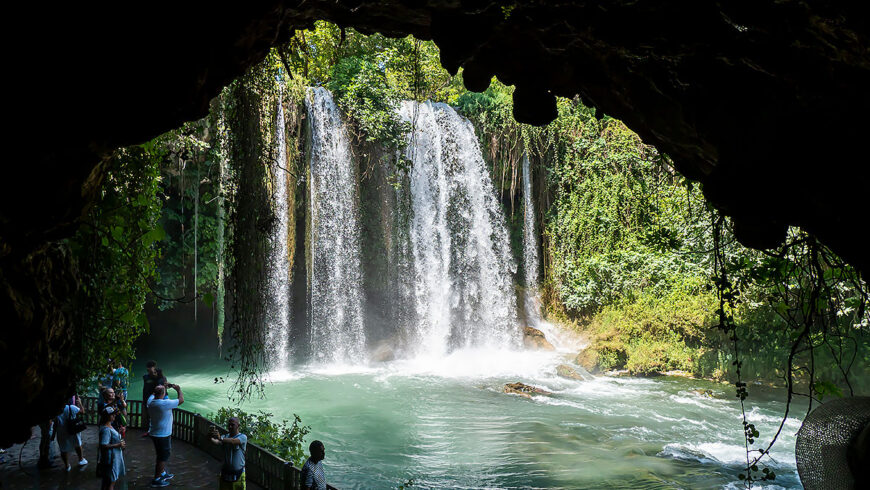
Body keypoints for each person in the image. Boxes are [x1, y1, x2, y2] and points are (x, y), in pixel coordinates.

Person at [147, 383, 183, 487]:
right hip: (163, 435)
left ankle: (162, 473)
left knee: (160, 454)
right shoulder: (164, 404)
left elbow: (155, 394)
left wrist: (162, 388)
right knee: (162, 457)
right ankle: (157, 479)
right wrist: (178, 389)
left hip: (154, 432)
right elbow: (181, 400)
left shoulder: (151, 402)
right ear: (163, 394)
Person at [209, 417, 247, 490]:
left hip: (238, 473)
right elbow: (216, 442)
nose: (230, 427)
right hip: (225, 473)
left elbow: (233, 441)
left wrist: (220, 438)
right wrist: (210, 437)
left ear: (238, 426)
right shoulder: (225, 436)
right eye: (229, 425)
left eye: (232, 425)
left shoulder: (243, 437)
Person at [56, 395, 88, 470]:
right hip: (73, 429)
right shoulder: (71, 408)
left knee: (63, 447)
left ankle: (67, 465)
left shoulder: (56, 410)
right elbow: (82, 412)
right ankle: (81, 459)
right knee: (77, 443)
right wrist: (80, 403)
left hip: (61, 430)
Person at [98, 407, 126, 490]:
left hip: (114, 458)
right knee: (110, 482)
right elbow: (103, 445)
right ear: (107, 416)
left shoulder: (110, 426)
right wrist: (118, 445)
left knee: (108, 481)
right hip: (111, 459)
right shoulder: (106, 429)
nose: (114, 416)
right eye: (112, 414)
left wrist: (119, 433)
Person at [141, 361, 166, 437]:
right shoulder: (145, 377)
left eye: (151, 368)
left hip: (156, 399)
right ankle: (150, 431)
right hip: (147, 399)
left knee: (159, 416)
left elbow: (162, 386)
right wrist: (144, 400)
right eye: (148, 368)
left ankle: (159, 431)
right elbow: (145, 388)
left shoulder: (159, 377)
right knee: (149, 416)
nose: (150, 370)